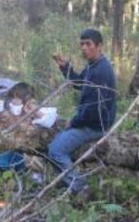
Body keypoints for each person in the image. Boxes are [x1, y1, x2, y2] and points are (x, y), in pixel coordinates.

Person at [49, 28, 117, 195]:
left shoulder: (101, 71)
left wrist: (73, 122)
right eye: (82, 44)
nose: (84, 48)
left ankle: (80, 187)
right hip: (90, 120)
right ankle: (67, 180)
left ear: (99, 46)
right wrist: (66, 68)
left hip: (95, 126)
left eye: (88, 44)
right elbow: (79, 83)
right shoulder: (94, 65)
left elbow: (94, 111)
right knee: (54, 136)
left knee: (55, 150)